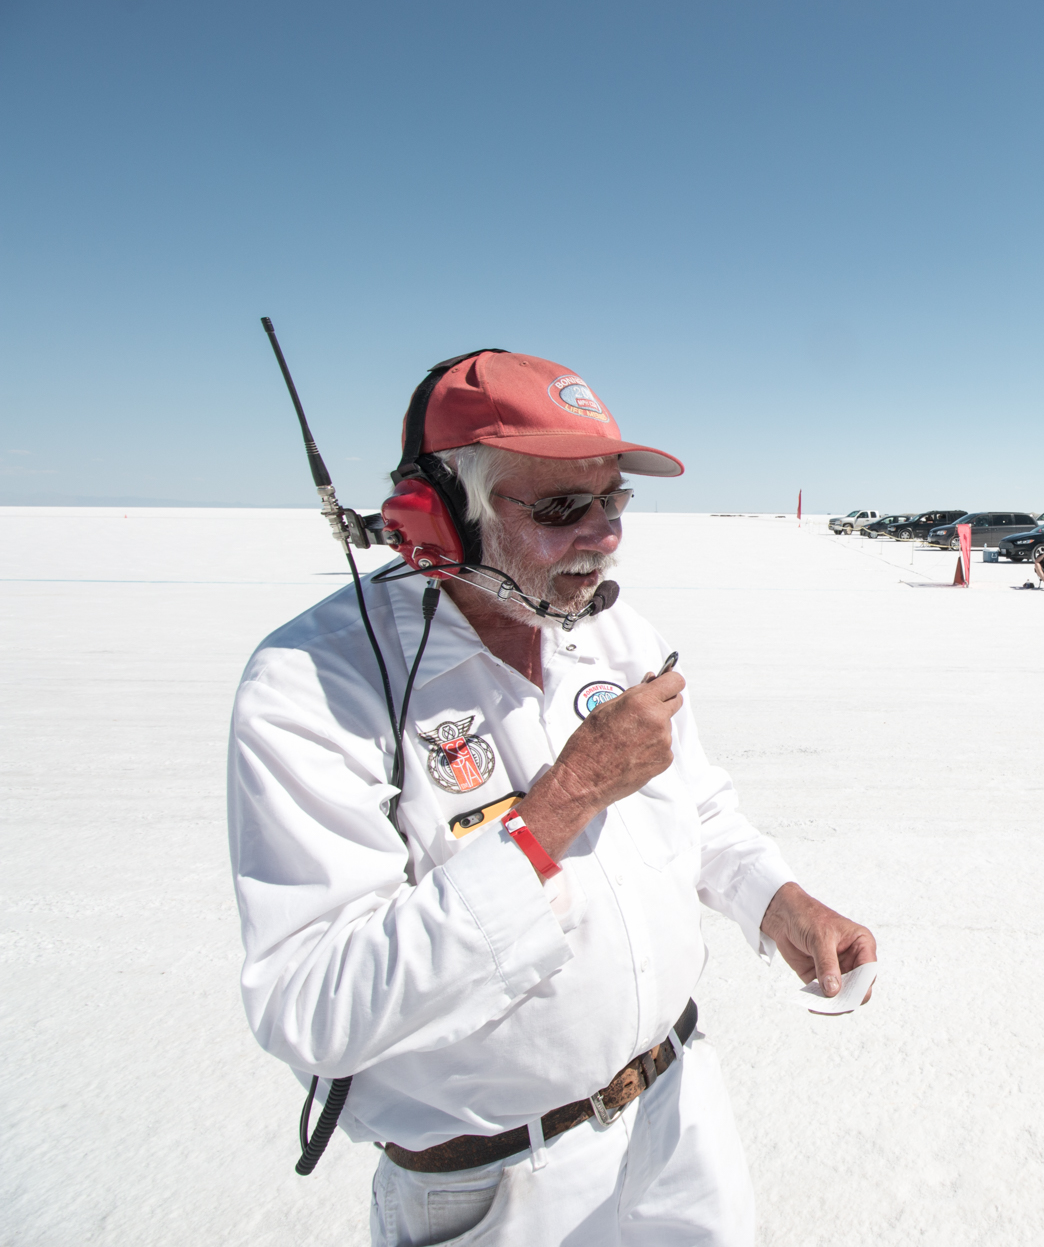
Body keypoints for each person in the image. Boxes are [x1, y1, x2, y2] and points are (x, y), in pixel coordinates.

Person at [227, 350, 878, 1246]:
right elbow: (314, 1005)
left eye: (614, 502)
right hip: (500, 1190)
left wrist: (778, 901)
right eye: (563, 508)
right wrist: (563, 799)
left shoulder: (613, 630)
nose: (605, 537)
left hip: (679, 1117)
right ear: (441, 516)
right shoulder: (316, 685)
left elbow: (699, 810)